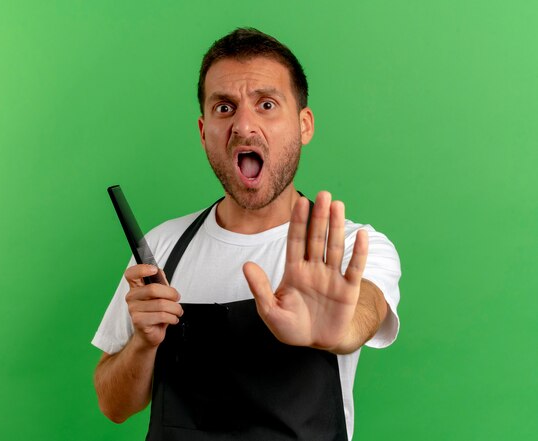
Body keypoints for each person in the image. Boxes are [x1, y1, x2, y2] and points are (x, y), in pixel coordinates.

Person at [92, 28, 401, 441]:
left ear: (304, 124)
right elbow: (113, 405)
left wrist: (338, 330)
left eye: (267, 104)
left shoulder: (348, 246)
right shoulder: (161, 250)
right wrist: (144, 344)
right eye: (224, 108)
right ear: (204, 131)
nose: (243, 125)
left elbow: (366, 309)